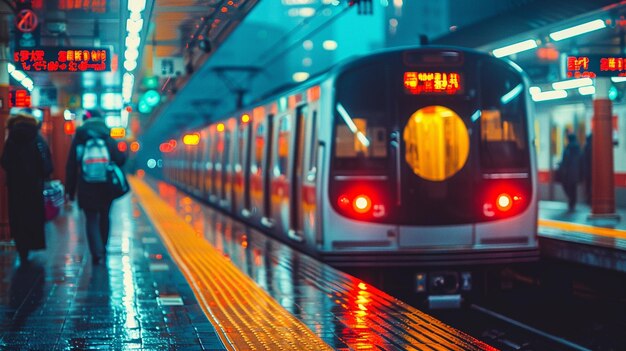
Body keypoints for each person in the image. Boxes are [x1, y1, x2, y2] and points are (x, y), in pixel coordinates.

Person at [66, 110, 126, 265]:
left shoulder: (80, 138)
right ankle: (103, 247)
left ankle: (96, 252)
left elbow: (71, 165)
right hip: (106, 186)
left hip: (86, 185)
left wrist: (70, 192)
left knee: (91, 219)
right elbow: (120, 159)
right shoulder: (106, 136)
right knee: (105, 216)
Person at [1, 108, 53, 264]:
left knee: (18, 216)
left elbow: (5, 161)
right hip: (34, 185)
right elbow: (47, 163)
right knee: (33, 215)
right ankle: (32, 244)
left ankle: (21, 248)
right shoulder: (38, 138)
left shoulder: (11, 138)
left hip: (16, 185)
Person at [558, 133, 582, 211]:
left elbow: (565, 161)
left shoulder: (568, 149)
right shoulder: (578, 149)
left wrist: (562, 169)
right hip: (576, 173)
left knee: (567, 187)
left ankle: (571, 202)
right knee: (573, 188)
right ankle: (572, 203)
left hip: (568, 173)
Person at [582, 133, 592, 205]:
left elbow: (584, 159)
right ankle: (591, 199)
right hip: (593, 171)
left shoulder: (586, 146)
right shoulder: (595, 146)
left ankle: (588, 199)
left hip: (586, 170)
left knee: (588, 186)